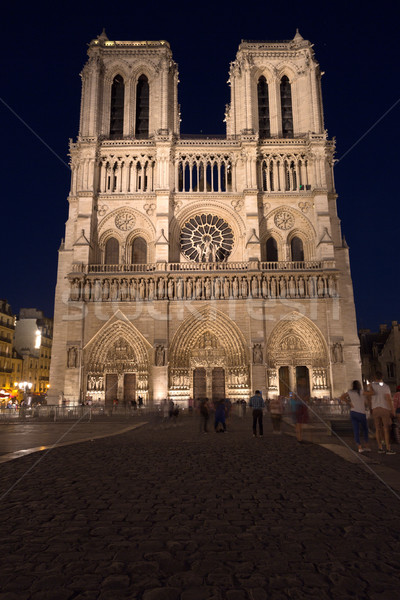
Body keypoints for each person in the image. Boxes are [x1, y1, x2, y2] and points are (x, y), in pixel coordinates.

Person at [367, 371, 396, 454]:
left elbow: (369, 398)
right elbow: (388, 399)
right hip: (384, 409)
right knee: (386, 429)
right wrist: (392, 409)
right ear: (382, 377)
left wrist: (371, 408)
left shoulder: (371, 386)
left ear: (374, 377)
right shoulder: (385, 386)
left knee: (377, 429)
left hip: (375, 409)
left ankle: (380, 448)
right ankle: (388, 448)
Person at [340, 381, 371, 453]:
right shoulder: (362, 392)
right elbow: (372, 393)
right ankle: (366, 445)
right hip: (361, 413)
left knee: (356, 430)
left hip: (353, 412)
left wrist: (349, 402)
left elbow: (341, 397)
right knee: (365, 429)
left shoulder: (350, 392)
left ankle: (359, 447)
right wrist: (369, 387)